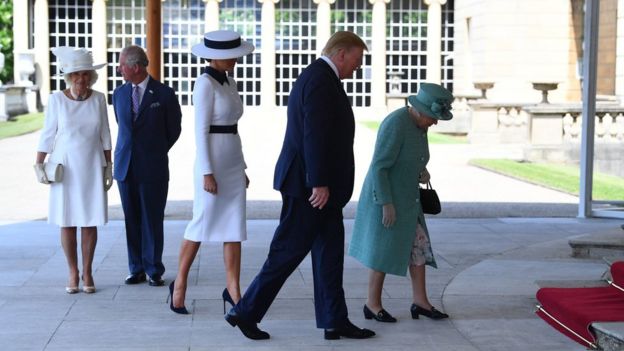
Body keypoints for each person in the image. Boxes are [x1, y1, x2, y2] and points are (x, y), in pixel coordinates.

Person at [224, 31, 375, 341]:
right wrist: (318, 182)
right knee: (287, 252)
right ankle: (244, 311)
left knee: (329, 255)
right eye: (357, 61)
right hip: (310, 187)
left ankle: (335, 320)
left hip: (321, 188)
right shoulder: (320, 79)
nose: (358, 68)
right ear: (341, 54)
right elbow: (314, 134)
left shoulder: (322, 77)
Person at [348, 82, 453, 323]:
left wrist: (421, 170)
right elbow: (380, 166)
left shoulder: (420, 125)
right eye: (433, 116)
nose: (435, 122)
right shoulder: (396, 123)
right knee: (382, 252)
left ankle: (421, 302)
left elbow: (410, 156)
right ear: (418, 109)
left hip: (409, 199)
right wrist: (386, 203)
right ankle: (372, 305)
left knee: (418, 248)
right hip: (388, 198)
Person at [168, 30, 255, 315]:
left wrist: (241, 167)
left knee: (234, 226)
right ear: (215, 57)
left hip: (231, 159)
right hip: (212, 163)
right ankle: (179, 283)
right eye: (231, 55)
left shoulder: (230, 82)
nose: (236, 59)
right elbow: (200, 131)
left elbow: (235, 129)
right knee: (200, 223)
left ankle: (233, 290)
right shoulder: (204, 83)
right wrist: (207, 171)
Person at [34, 46, 112, 294]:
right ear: (69, 77)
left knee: (89, 222)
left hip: (91, 165)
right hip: (65, 168)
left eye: (86, 74)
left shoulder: (99, 99)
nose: (82, 79)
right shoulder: (57, 100)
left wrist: (108, 166)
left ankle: (88, 271)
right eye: (77, 75)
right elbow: (48, 135)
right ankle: (72, 271)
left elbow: (105, 134)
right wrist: (39, 164)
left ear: (91, 76)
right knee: (67, 222)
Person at [113, 45, 182, 287]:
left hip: (153, 167)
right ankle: (136, 269)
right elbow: (122, 126)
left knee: (152, 219)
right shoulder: (119, 93)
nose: (118, 68)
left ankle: (154, 269)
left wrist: (154, 150)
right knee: (131, 219)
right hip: (125, 167)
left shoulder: (164, 94)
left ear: (136, 67)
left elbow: (174, 130)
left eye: (122, 65)